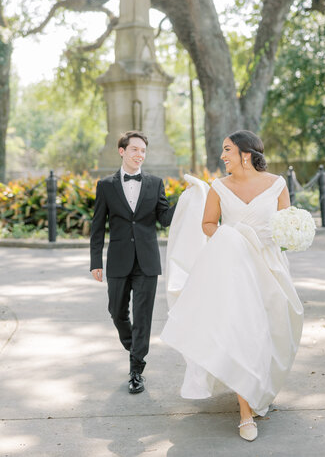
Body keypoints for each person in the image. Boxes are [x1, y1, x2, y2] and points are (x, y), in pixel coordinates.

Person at [161, 130, 304, 441]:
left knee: (278, 327)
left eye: (227, 150)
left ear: (246, 154)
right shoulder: (219, 188)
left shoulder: (278, 185)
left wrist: (291, 236)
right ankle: (244, 412)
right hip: (233, 268)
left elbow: (285, 225)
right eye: (222, 150)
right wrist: (234, 235)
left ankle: (258, 385)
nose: (222, 156)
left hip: (268, 266)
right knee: (243, 329)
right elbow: (208, 224)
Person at [90, 130, 176, 394]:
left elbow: (164, 219)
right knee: (116, 312)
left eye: (143, 151)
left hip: (147, 262)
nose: (140, 155)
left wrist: (186, 199)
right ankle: (134, 346)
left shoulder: (155, 183)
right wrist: (96, 262)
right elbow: (97, 226)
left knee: (143, 317)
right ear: (122, 151)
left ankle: (136, 369)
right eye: (135, 149)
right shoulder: (106, 185)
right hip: (118, 260)